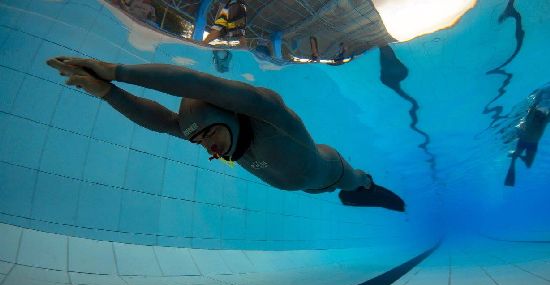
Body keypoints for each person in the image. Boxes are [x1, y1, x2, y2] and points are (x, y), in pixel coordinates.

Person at [46, 57, 405, 211]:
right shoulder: (222, 139)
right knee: (318, 190)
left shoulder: (271, 116)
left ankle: (368, 184)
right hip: (307, 184)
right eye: (199, 140)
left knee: (354, 182)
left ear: (231, 118)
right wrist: (108, 93)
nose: (208, 147)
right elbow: (160, 120)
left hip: (334, 170)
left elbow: (198, 83)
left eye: (208, 134)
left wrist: (116, 72)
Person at [504, 84, 550, 186]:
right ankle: (514, 158)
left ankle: (515, 154)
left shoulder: (545, 119)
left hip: (533, 143)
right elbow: (535, 103)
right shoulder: (532, 114)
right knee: (516, 159)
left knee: (528, 165)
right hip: (523, 140)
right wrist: (541, 92)